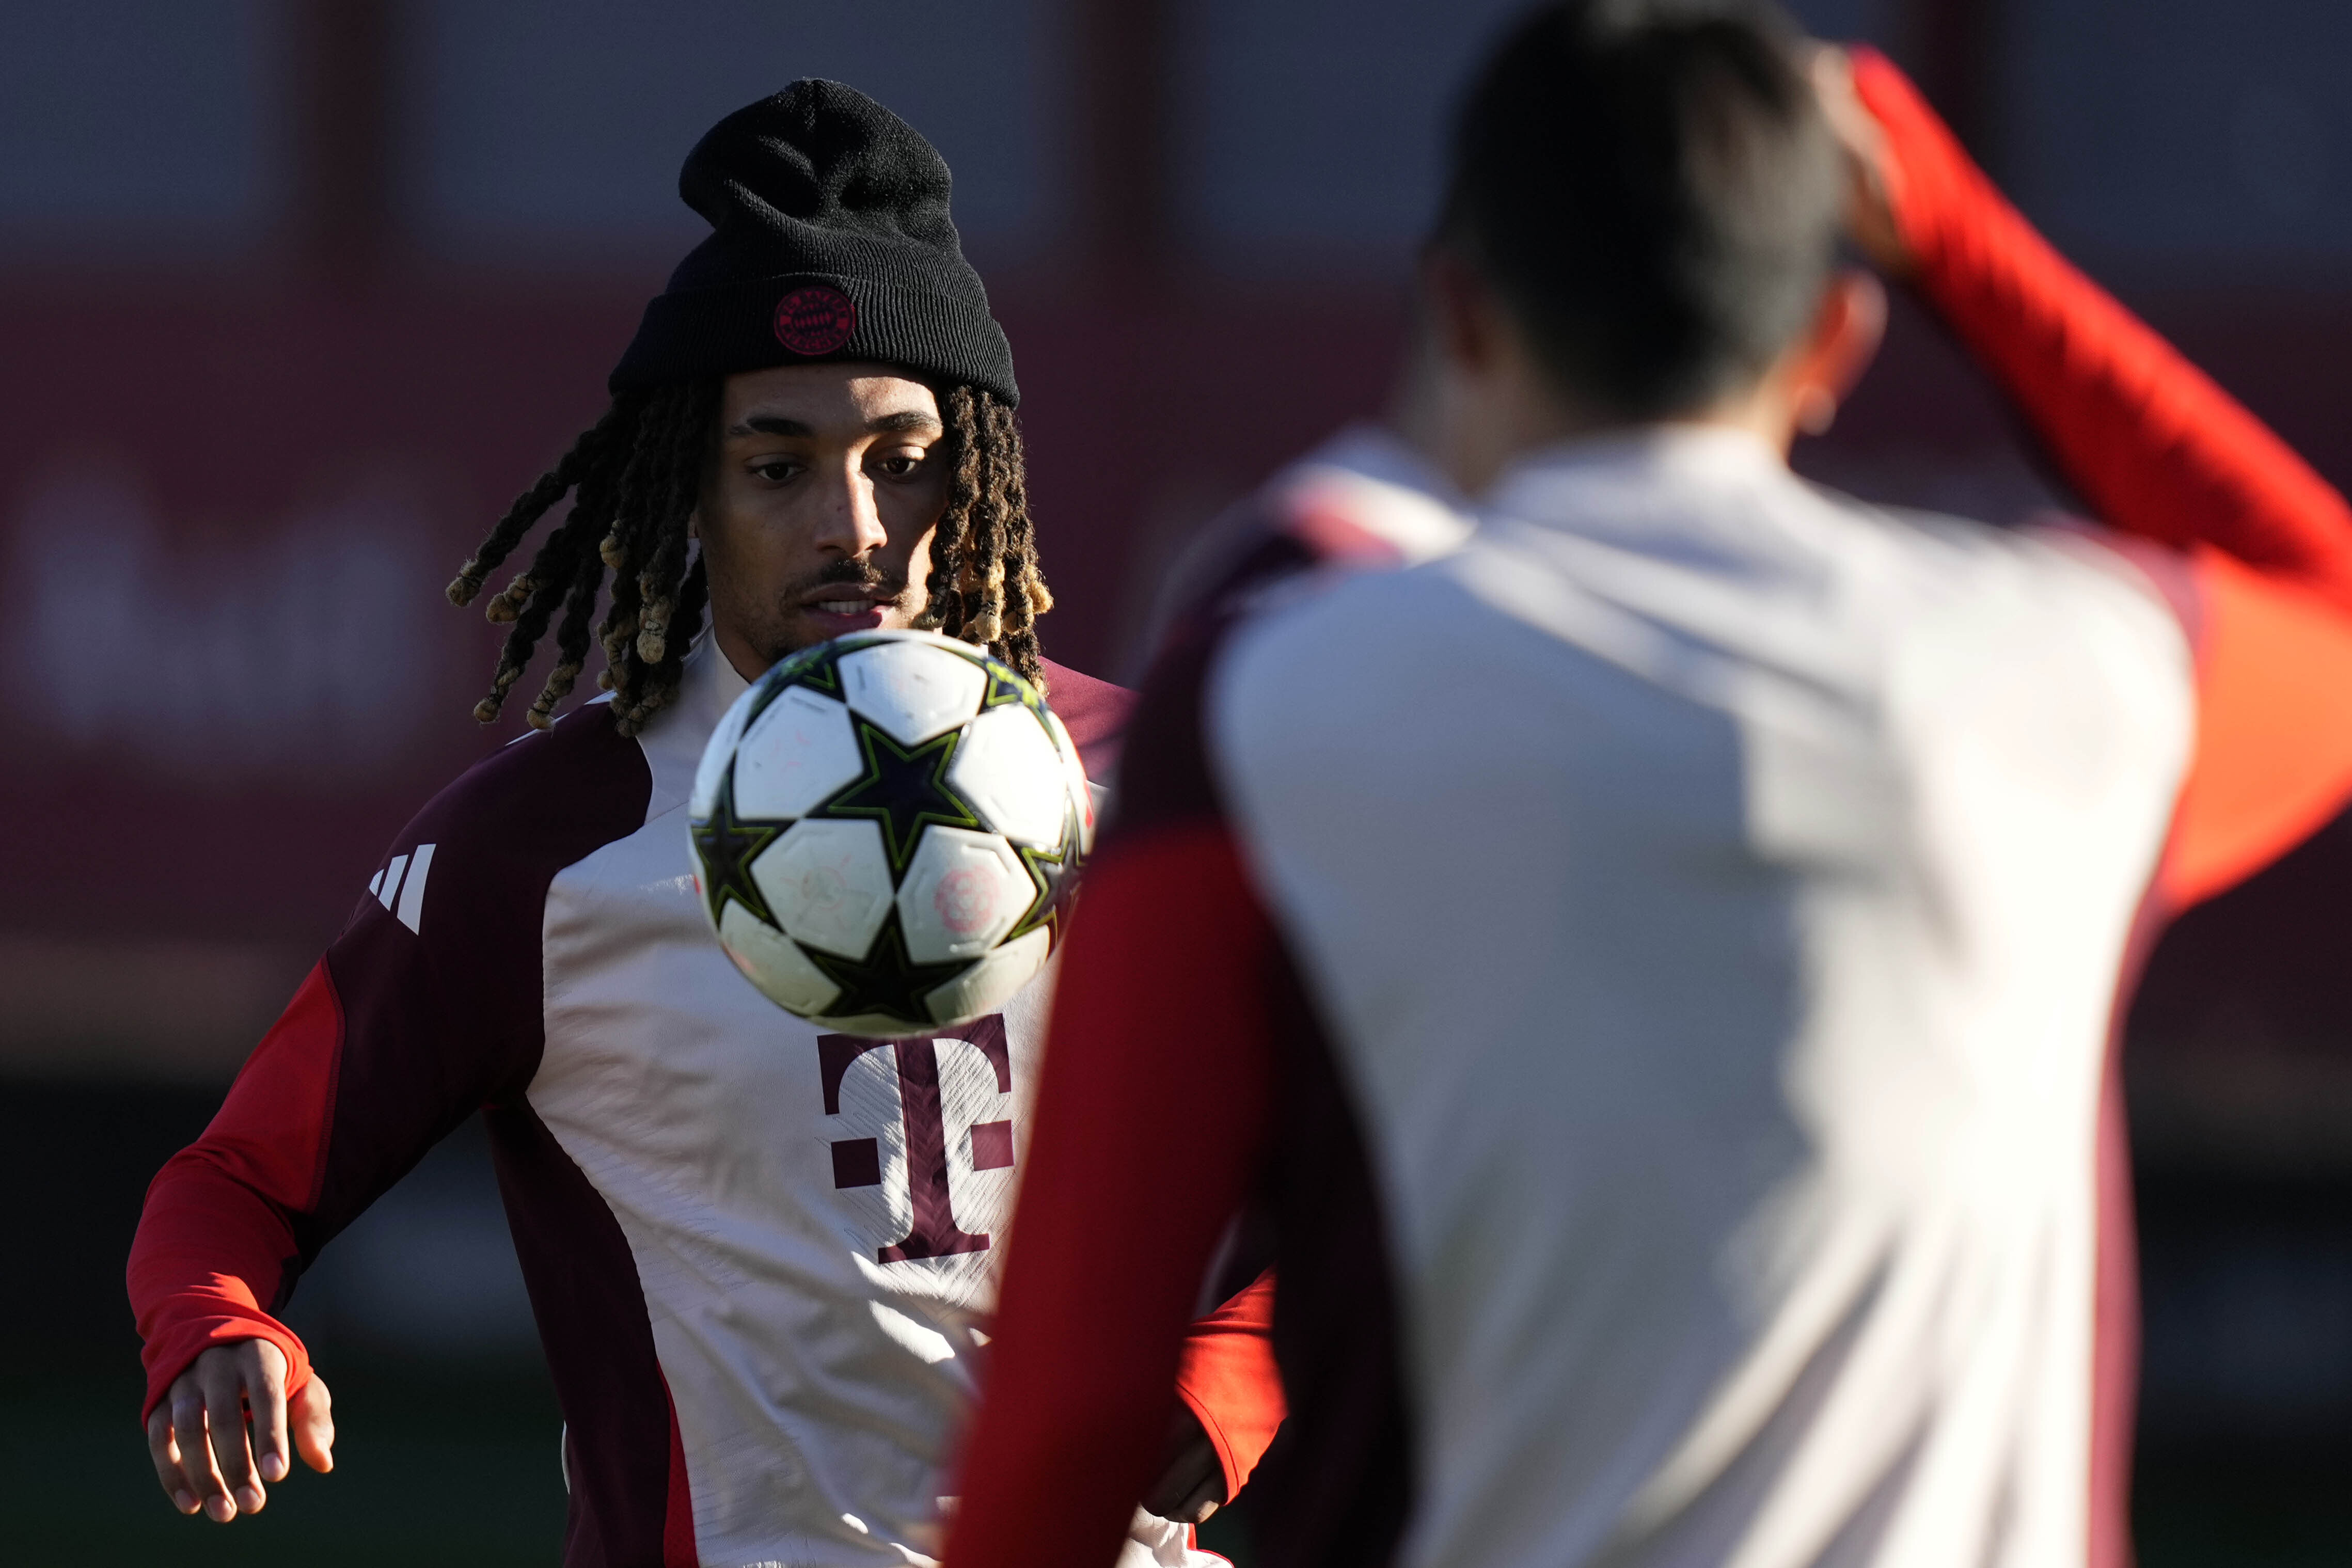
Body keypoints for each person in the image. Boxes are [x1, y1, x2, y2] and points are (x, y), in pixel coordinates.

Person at [943, 8, 2352, 1568]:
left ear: (1461, 314)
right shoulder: (2068, 676)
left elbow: (1071, 1405)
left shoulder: (1271, 707)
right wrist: (1944, 227)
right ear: (1832, 341)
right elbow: (2327, 601)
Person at [128, 82, 1280, 1567]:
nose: (853, 524)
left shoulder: (1154, 784)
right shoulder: (538, 851)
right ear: (690, 488)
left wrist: (1234, 1374)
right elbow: (230, 1183)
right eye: (779, 465)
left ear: (975, 468)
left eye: (901, 455)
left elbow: (1386, 1146)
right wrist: (213, 1323)